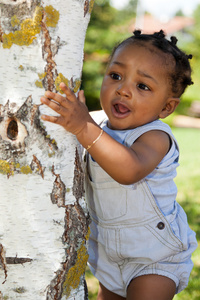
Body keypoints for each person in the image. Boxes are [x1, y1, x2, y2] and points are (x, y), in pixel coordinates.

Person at [40, 30, 197, 300]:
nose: (123, 89)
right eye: (116, 76)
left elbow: (129, 170)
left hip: (154, 259)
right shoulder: (97, 124)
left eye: (143, 86)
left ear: (166, 108)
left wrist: (82, 126)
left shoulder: (155, 136)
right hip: (108, 256)